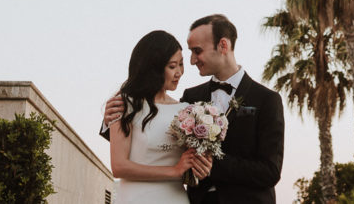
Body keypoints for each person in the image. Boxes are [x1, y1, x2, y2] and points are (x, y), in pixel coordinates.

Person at [104, 15, 284, 204]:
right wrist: (112, 120)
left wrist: (211, 164)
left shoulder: (267, 99)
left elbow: (270, 171)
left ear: (223, 46)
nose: (191, 61)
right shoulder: (190, 98)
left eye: (197, 51)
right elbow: (154, 134)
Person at [109, 30, 211, 204]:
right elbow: (119, 167)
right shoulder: (125, 105)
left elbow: (194, 164)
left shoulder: (187, 111)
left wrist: (203, 166)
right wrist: (174, 171)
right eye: (172, 66)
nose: (179, 72)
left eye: (181, 64)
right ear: (153, 68)